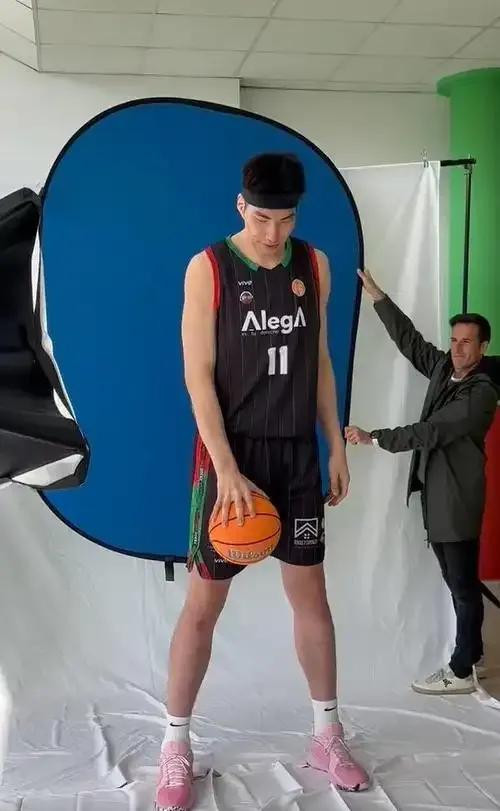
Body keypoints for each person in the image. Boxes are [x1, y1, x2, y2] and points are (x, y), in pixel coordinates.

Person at [155, 154, 370, 810]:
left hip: (295, 454)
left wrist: (333, 443)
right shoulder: (208, 268)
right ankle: (174, 743)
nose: (274, 233)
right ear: (240, 206)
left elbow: (320, 361)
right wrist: (225, 468)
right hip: (231, 458)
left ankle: (326, 735)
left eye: (286, 219)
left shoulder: (315, 265)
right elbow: (197, 375)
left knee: (313, 597)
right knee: (203, 607)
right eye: (262, 219)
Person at [346, 268, 499, 697]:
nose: (457, 348)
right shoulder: (444, 369)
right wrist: (379, 297)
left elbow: (431, 431)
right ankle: (472, 653)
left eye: (466, 342)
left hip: (457, 500)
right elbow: (410, 342)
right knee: (459, 583)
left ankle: (462, 668)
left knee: (462, 587)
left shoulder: (481, 393)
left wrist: (375, 437)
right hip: (439, 497)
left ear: (483, 348)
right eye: (454, 340)